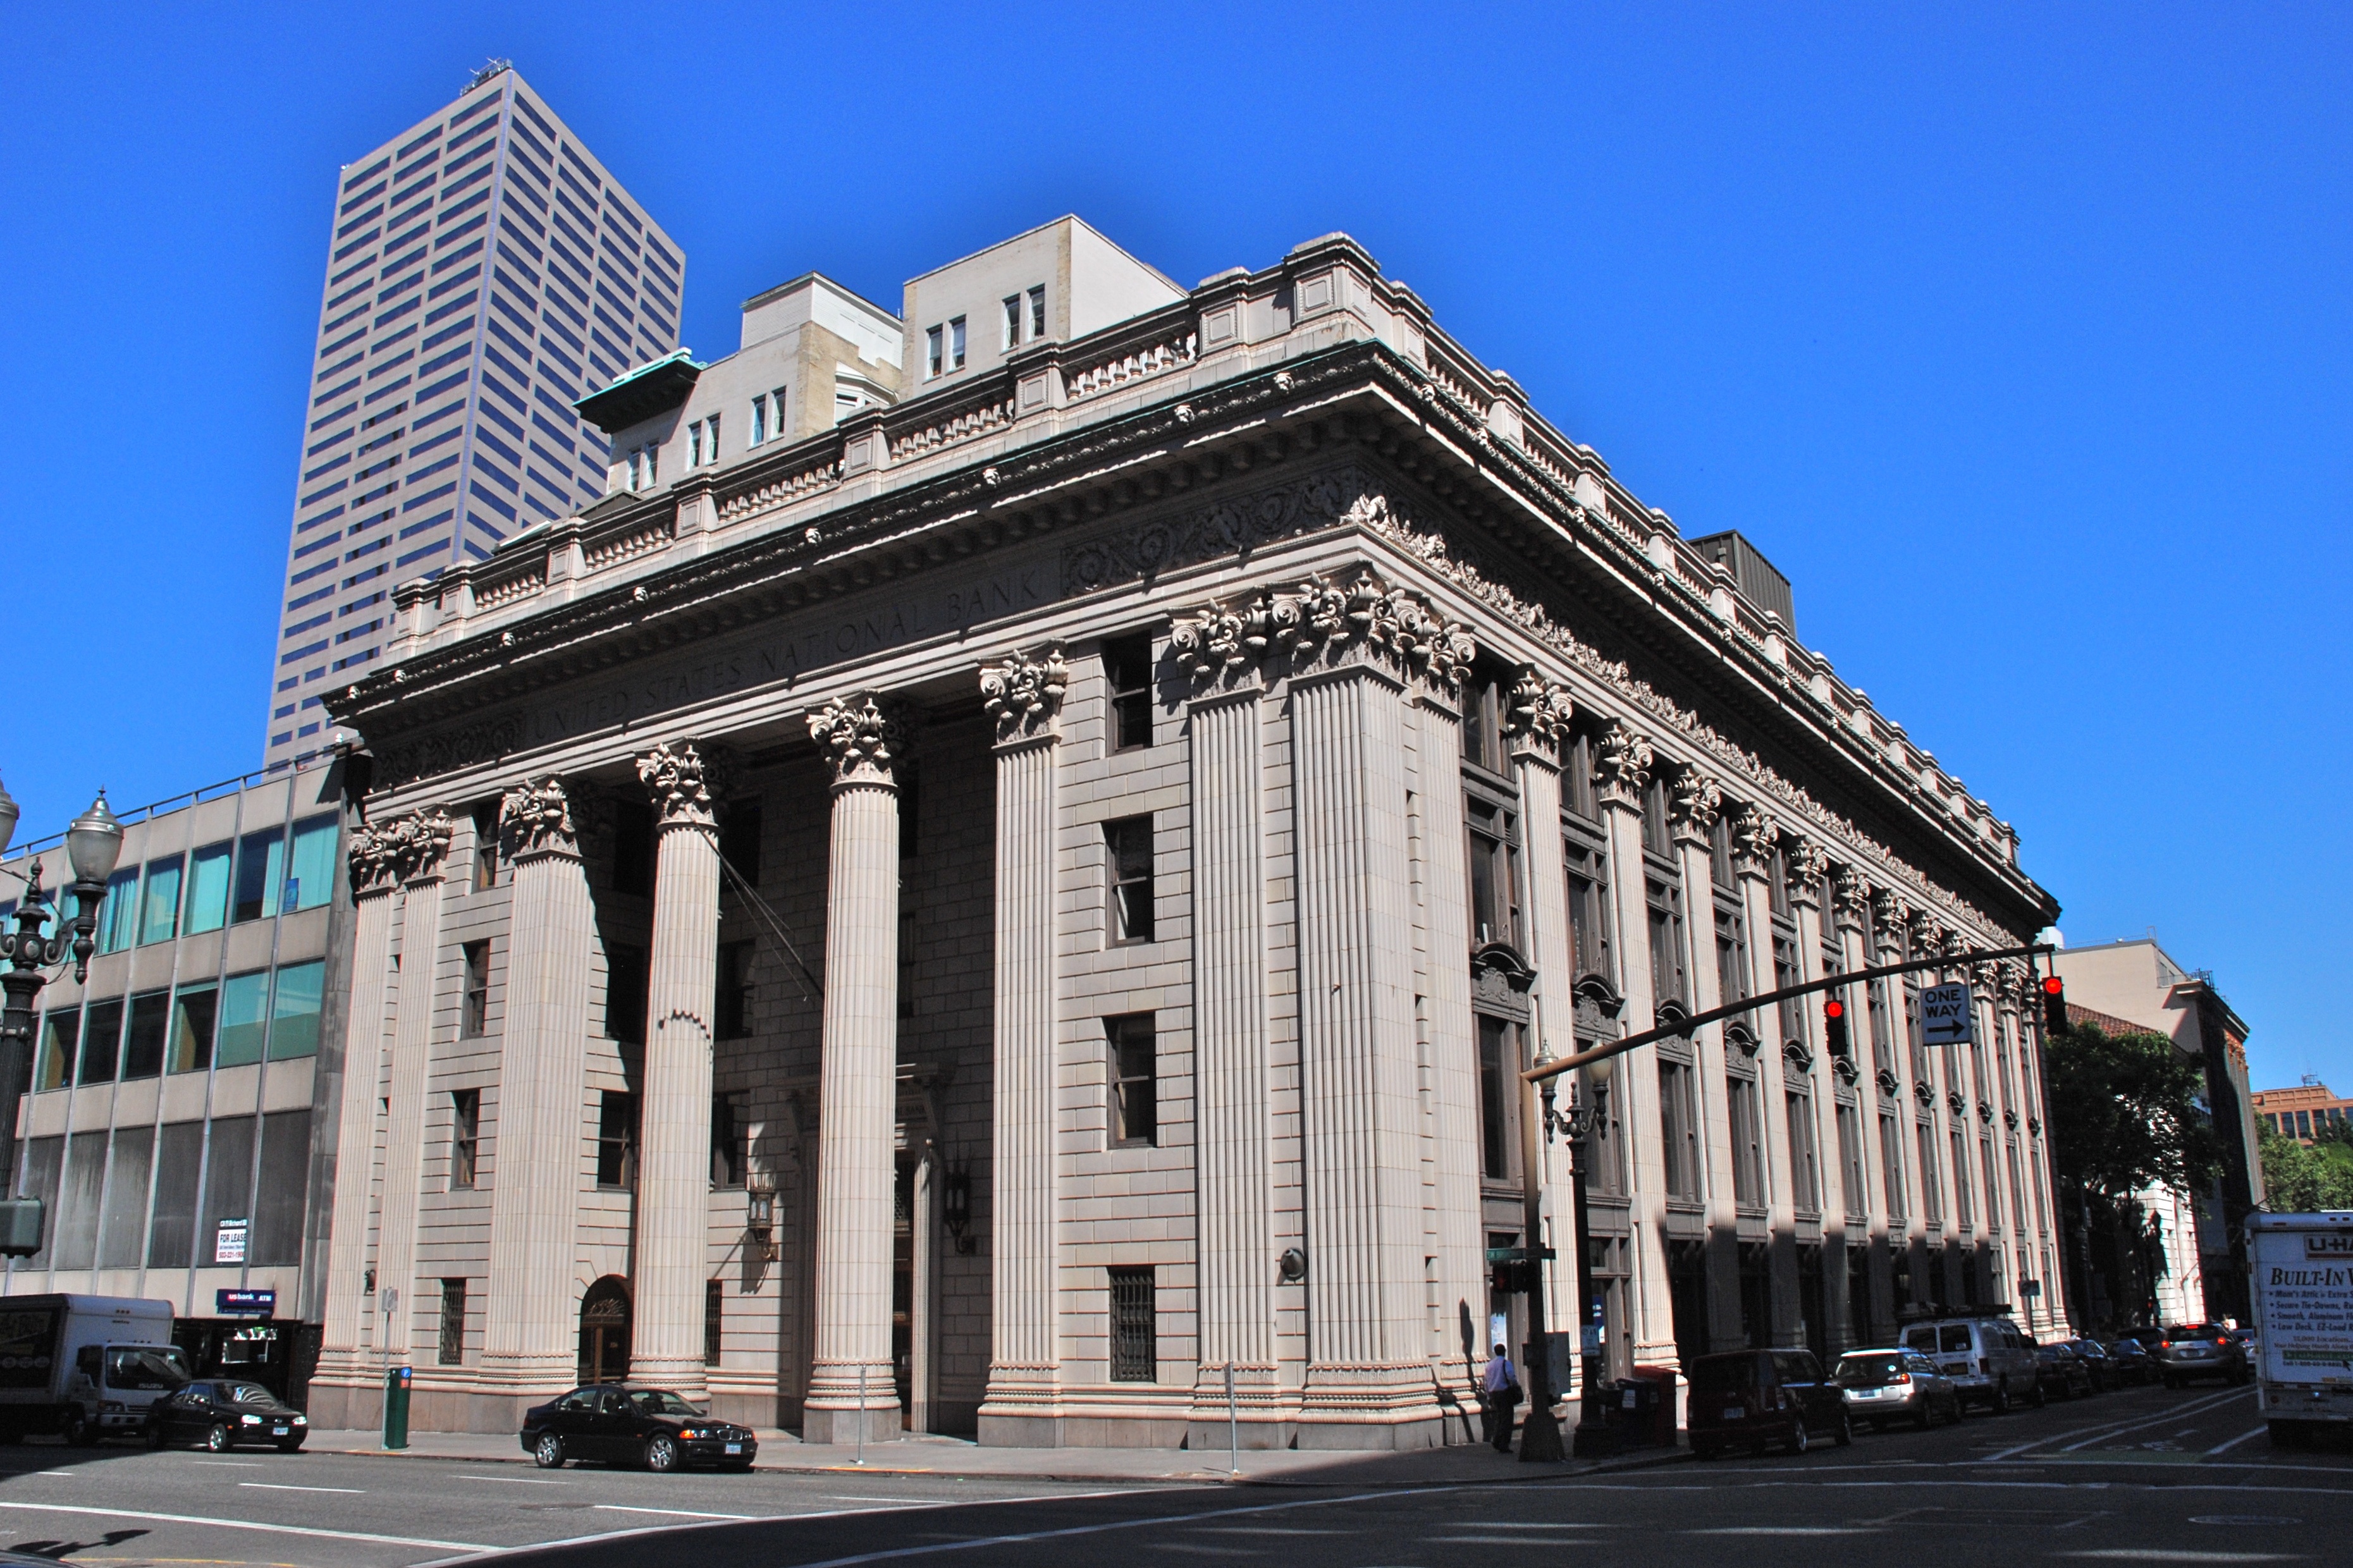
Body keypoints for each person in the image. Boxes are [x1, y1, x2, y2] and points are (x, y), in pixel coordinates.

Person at [1482, 1342, 1521, 1452]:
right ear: (1504, 1351)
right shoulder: (1505, 1363)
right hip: (1505, 1393)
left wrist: (1489, 1396)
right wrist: (1516, 1386)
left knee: (1499, 1418)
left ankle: (1496, 1439)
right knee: (1507, 1420)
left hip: (1494, 1394)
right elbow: (1511, 1377)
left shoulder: (1489, 1365)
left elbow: (1486, 1382)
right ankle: (1503, 1444)